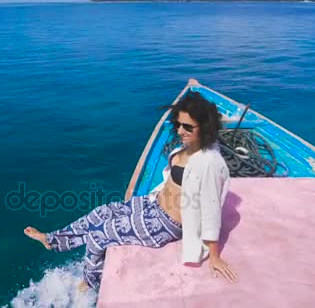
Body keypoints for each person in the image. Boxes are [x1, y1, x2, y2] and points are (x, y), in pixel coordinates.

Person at [24, 91, 238, 291]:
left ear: (204, 127)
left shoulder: (208, 163)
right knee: (101, 212)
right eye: (178, 124)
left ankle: (90, 281)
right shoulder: (186, 148)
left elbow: (211, 211)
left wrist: (214, 255)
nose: (181, 131)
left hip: (166, 224)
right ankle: (52, 240)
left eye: (188, 127)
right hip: (153, 204)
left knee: (99, 235)